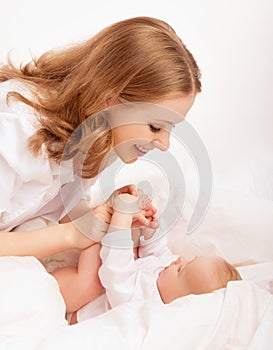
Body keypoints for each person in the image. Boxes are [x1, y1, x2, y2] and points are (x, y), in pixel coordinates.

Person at [0, 16, 201, 258]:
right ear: (109, 99)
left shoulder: (94, 139)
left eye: (171, 129)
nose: (164, 144)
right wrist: (72, 235)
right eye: (156, 127)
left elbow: (44, 212)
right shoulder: (17, 127)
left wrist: (104, 214)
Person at [51, 193, 242, 324]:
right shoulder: (166, 274)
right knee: (131, 248)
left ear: (175, 303)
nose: (179, 260)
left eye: (181, 270)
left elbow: (116, 268)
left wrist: (122, 217)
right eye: (189, 260)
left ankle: (66, 229)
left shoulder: (143, 303)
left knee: (101, 245)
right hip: (102, 283)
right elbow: (157, 252)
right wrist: (150, 226)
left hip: (76, 309)